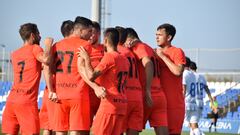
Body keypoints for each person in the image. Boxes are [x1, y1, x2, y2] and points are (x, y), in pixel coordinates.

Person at [2, 23, 53, 135]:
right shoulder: (35, 48)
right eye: (38, 34)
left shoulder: (15, 54)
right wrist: (48, 45)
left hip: (12, 100)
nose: (40, 36)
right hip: (26, 101)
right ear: (32, 35)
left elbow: (30, 68)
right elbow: (46, 59)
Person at [77, 28, 130, 135]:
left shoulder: (110, 57)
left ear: (106, 40)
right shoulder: (124, 59)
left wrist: (87, 58)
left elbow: (91, 76)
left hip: (109, 104)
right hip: (122, 104)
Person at [51, 16, 93, 135]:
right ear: (80, 30)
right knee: (76, 132)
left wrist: (52, 89)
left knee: (60, 132)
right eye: (89, 31)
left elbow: (49, 68)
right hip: (77, 94)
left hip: (60, 94)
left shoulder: (57, 45)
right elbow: (82, 69)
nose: (91, 35)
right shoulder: (85, 45)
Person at [125, 28, 168, 135]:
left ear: (129, 39)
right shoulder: (149, 48)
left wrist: (147, 90)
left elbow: (148, 64)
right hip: (160, 95)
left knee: (131, 128)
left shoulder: (138, 47)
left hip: (146, 95)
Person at [39, 20, 74, 135]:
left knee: (50, 126)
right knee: (57, 127)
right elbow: (46, 65)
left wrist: (50, 90)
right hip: (62, 89)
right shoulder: (76, 46)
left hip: (52, 88)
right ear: (73, 30)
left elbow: (46, 66)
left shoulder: (55, 46)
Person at [155, 23, 186, 135]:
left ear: (169, 37)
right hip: (159, 103)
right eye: (156, 34)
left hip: (174, 104)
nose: (157, 37)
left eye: (160, 35)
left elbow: (178, 71)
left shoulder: (177, 51)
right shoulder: (155, 52)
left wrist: (163, 56)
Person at [116, 26, 143, 135]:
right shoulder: (131, 51)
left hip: (124, 95)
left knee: (117, 130)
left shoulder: (117, 51)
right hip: (137, 96)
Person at [88, 21, 104, 127]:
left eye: (92, 32)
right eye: (88, 32)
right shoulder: (82, 49)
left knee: (104, 128)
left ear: (99, 33)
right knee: (83, 128)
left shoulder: (105, 49)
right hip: (87, 93)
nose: (90, 35)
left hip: (102, 94)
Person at [182, 57, 201, 135]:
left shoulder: (184, 74)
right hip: (193, 102)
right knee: (194, 126)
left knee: (179, 124)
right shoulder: (194, 75)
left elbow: (183, 89)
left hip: (186, 102)